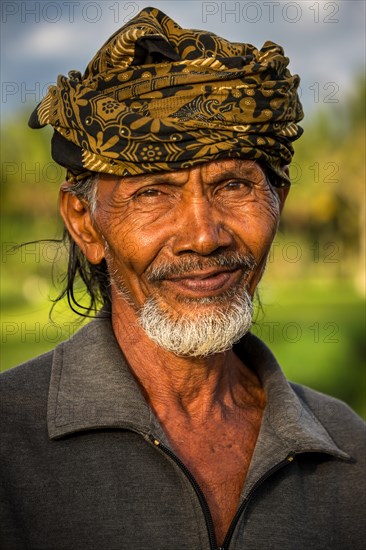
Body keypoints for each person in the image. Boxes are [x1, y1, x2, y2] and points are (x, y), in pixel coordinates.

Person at [1, 7, 364, 550]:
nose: (204, 235)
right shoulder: (9, 443)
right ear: (86, 225)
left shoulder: (348, 451)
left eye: (236, 185)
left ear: (278, 201)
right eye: (153, 193)